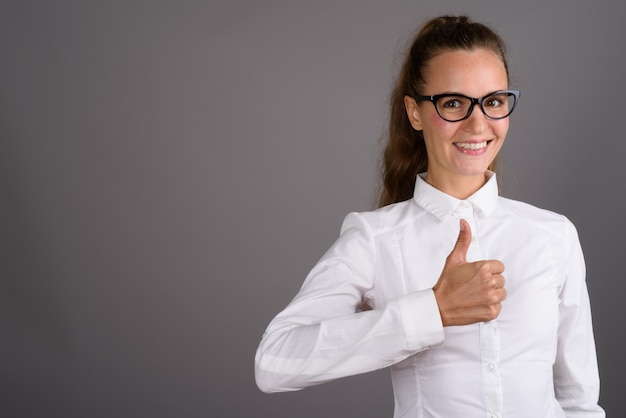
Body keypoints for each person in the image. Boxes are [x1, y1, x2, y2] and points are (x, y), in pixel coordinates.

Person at [254, 15, 604, 417]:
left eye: (493, 101)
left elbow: (580, 402)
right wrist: (431, 311)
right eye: (453, 102)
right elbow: (273, 362)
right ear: (415, 112)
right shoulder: (375, 239)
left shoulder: (553, 235)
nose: (478, 123)